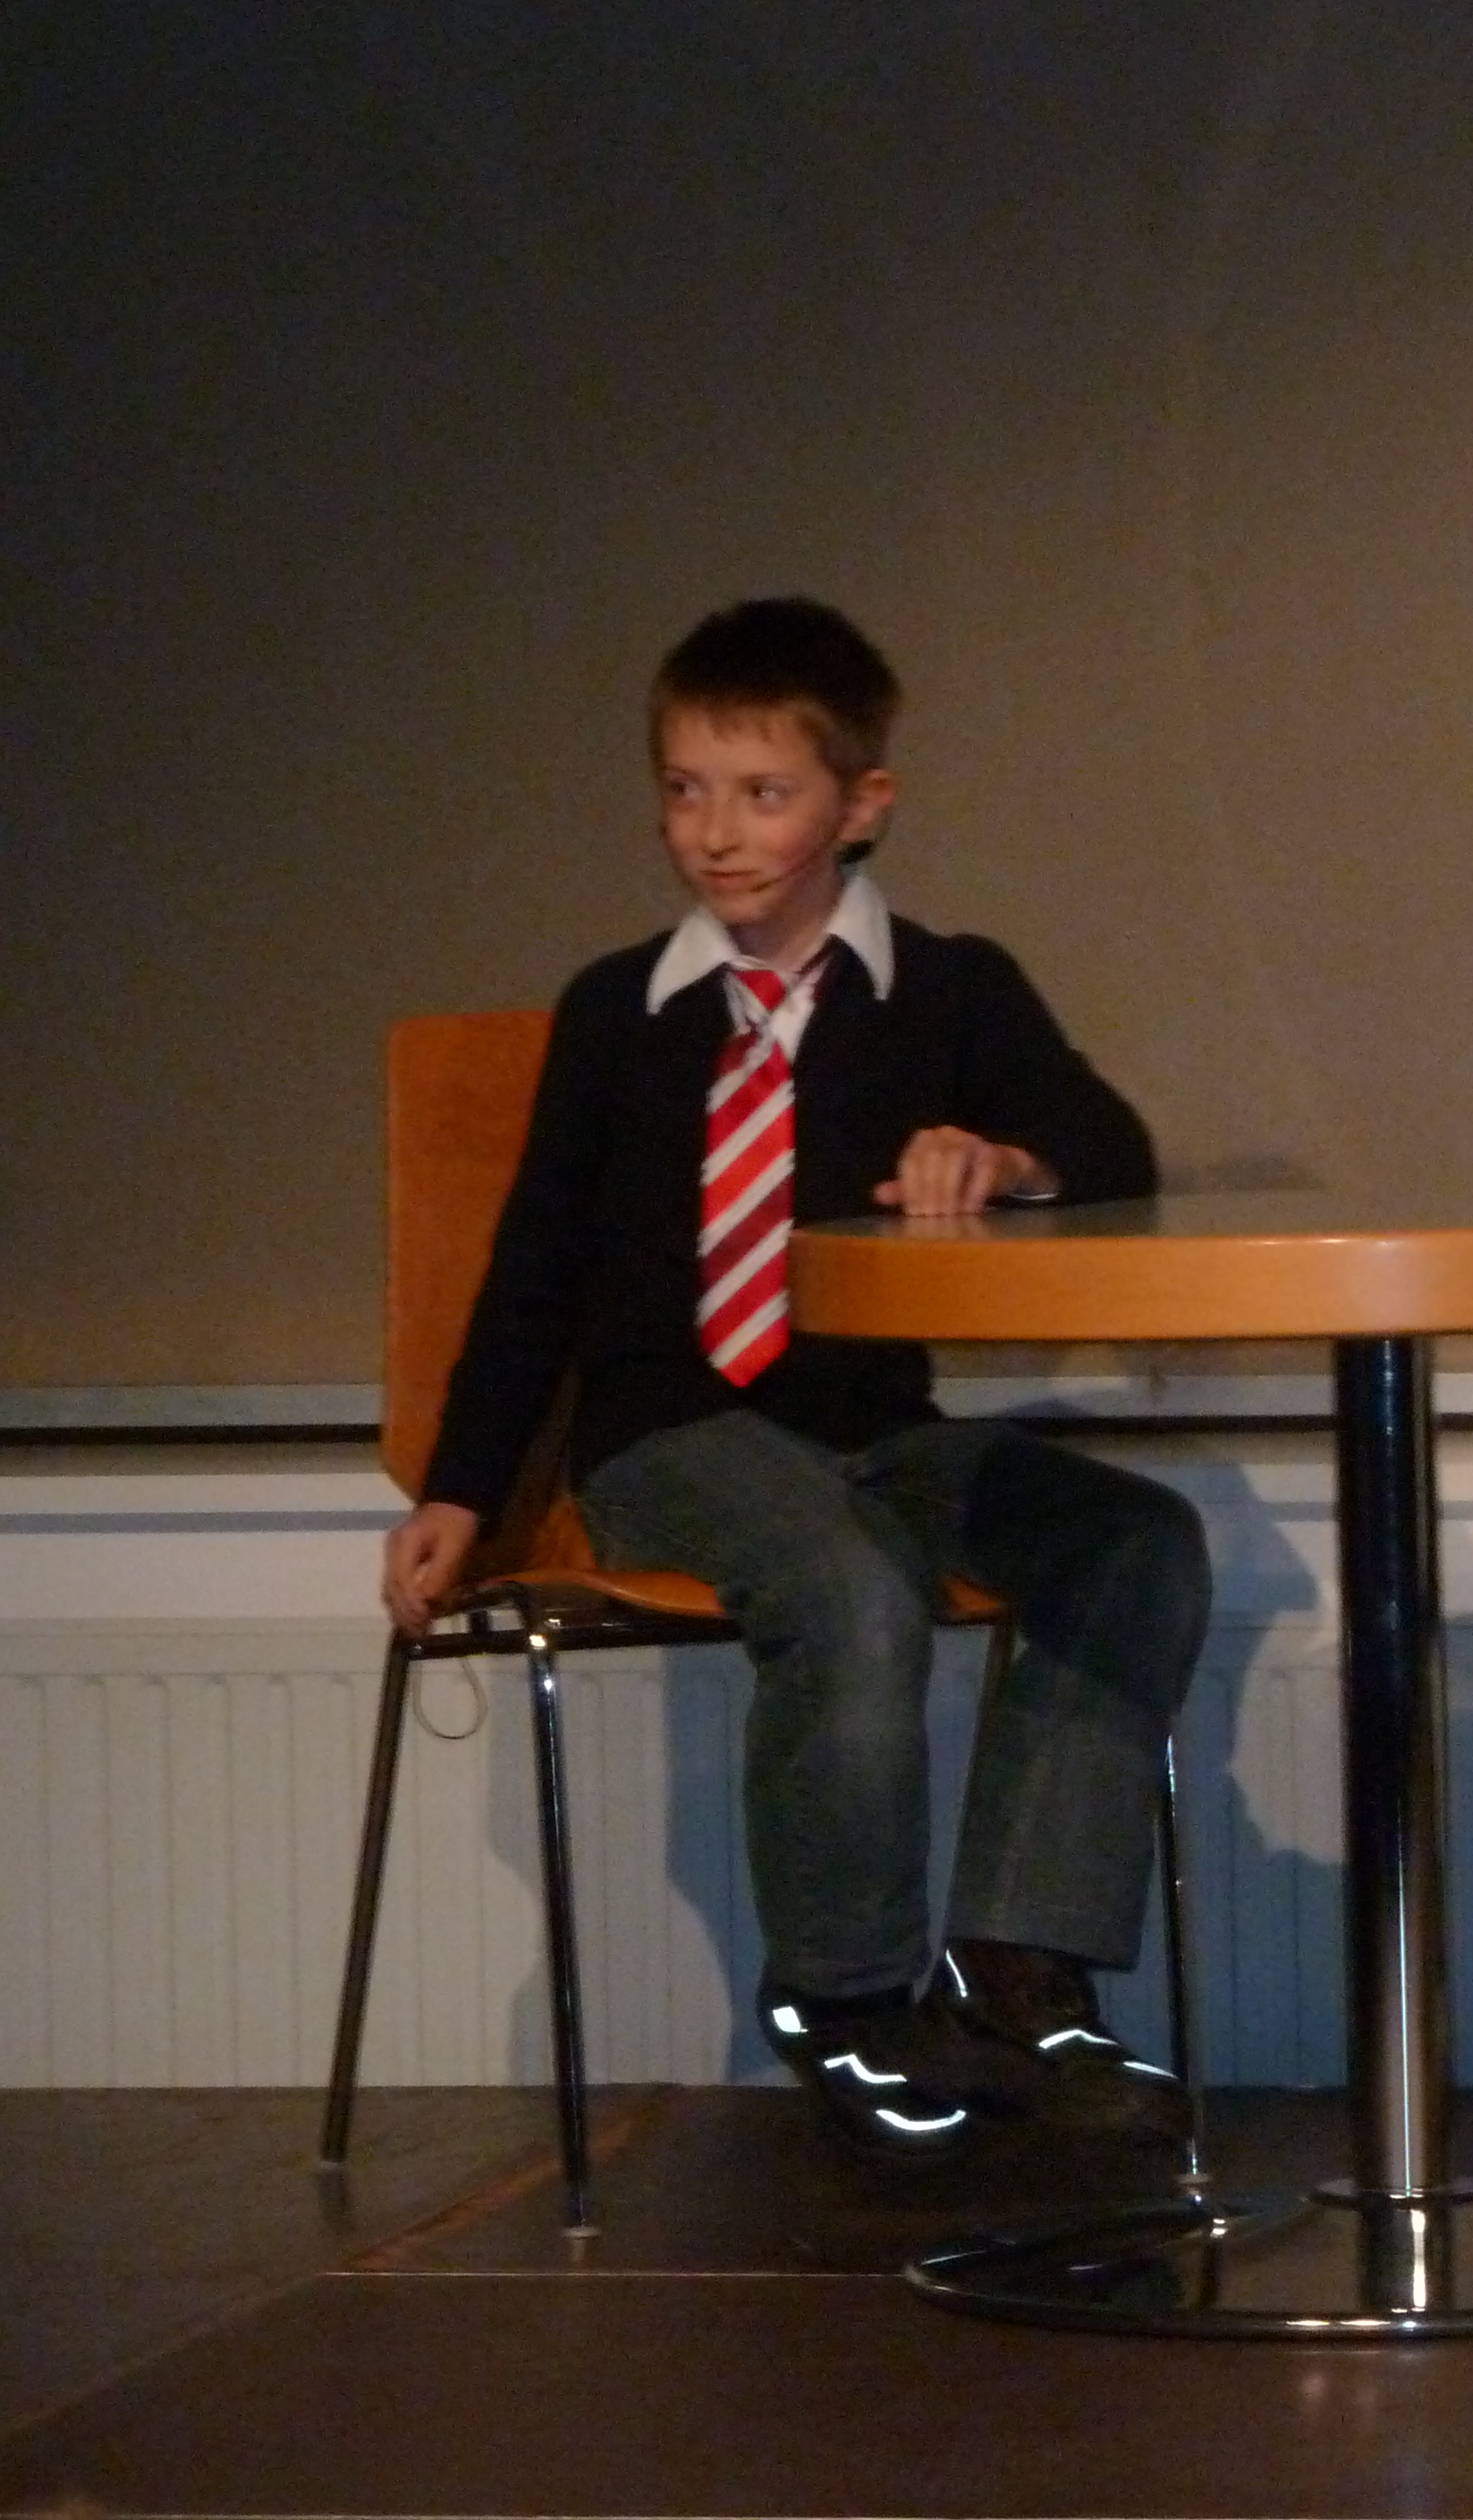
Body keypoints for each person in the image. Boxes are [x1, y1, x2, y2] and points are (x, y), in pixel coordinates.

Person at [378, 597, 1209, 2169]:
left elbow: (1111, 1149)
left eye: (763, 794)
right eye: (686, 791)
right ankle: (849, 1999)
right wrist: (460, 1487)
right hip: (672, 1437)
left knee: (1133, 1539)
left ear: (860, 804)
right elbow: (533, 1270)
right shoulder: (620, 1012)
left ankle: (1016, 1967)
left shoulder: (948, 989)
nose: (717, 832)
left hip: (875, 1431)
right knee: (846, 1582)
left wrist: (1006, 1159)